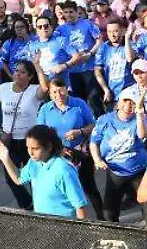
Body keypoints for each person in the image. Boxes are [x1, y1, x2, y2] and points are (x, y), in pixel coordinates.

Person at [37, 75, 104, 220]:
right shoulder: (45, 109)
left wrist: (79, 131)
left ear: (67, 90)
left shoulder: (78, 104)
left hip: (80, 153)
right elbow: (40, 132)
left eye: (61, 91)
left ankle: (103, 218)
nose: (58, 95)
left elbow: (92, 125)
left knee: (89, 187)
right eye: (54, 92)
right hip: (57, 156)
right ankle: (70, 219)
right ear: (49, 94)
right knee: (65, 188)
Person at [0, 124, 88, 220]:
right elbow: (19, 179)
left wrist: (78, 232)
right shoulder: (34, 163)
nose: (30, 153)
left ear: (49, 147)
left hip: (63, 227)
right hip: (43, 223)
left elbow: (79, 206)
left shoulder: (64, 170)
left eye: (35, 148)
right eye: (28, 148)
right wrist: (5, 158)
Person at [0, 60, 45, 210]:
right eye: (16, 71)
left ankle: (41, 205)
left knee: (35, 176)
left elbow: (45, 88)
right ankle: (26, 204)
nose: (17, 74)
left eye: (22, 72)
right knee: (10, 177)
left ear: (30, 76)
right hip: (9, 141)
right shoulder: (4, 88)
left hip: (29, 142)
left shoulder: (34, 90)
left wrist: (38, 66)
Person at [90, 91, 147, 223]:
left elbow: (142, 134)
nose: (128, 105)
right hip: (115, 171)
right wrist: (97, 160)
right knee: (109, 213)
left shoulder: (139, 118)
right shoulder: (105, 120)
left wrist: (139, 112)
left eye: (133, 102)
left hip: (139, 170)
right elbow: (94, 142)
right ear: (118, 102)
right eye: (125, 101)